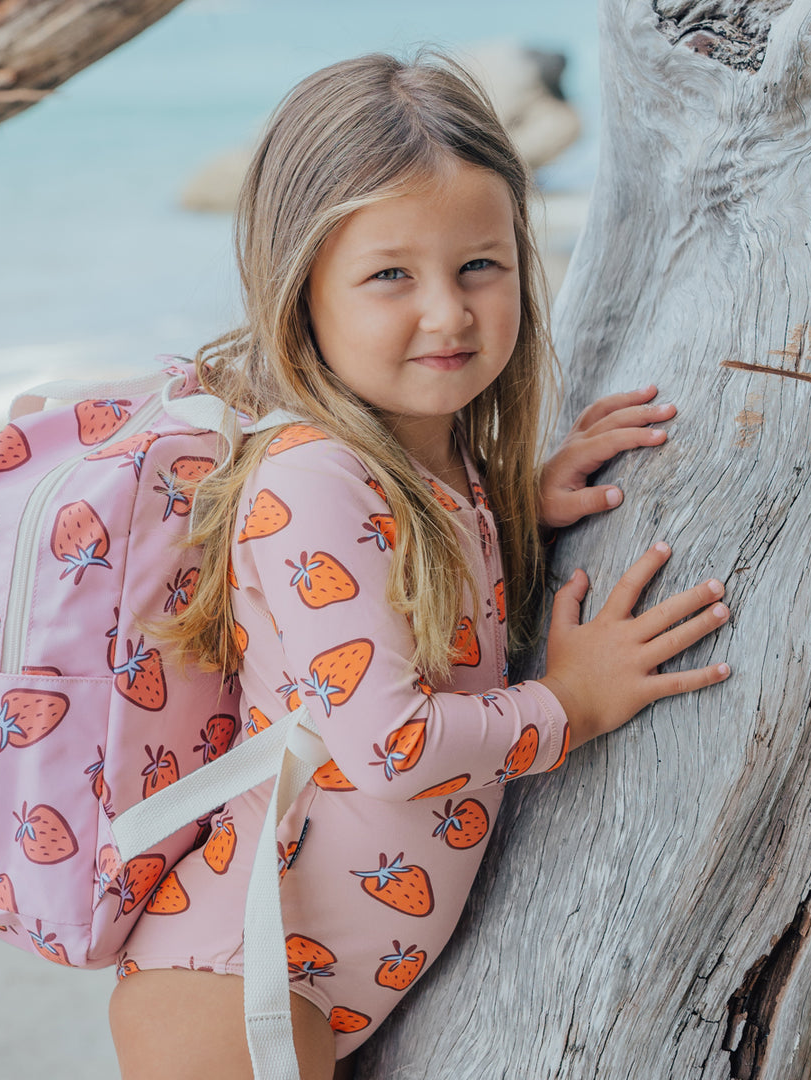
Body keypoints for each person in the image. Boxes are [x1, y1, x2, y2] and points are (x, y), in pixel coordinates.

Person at [108, 51, 731, 1079]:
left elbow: (402, 585)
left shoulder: (429, 477)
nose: (447, 312)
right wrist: (569, 703)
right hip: (235, 977)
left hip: (314, 977)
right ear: (303, 287)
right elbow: (388, 743)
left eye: (479, 265)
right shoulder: (309, 474)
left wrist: (513, 505)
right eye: (391, 274)